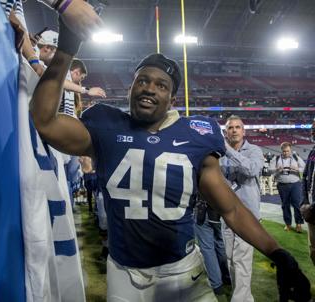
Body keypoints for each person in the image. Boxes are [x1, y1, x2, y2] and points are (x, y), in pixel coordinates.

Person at [29, 18, 311, 301]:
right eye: (142, 80)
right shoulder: (105, 126)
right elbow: (44, 120)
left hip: (182, 271)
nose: (150, 88)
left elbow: (232, 210)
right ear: (130, 89)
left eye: (161, 85)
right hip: (124, 273)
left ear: (172, 99)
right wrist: (65, 49)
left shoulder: (195, 136)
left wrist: (279, 254)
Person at [220, 115, 264, 302]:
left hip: (248, 215)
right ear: (226, 132)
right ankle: (245, 298)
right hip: (227, 213)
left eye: (238, 127)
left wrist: (228, 151)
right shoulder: (219, 154)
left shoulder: (254, 150)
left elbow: (251, 170)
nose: (235, 130)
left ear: (244, 131)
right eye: (231, 127)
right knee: (230, 260)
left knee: (242, 261)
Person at [194, 195, 230, 296]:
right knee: (221, 244)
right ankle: (227, 277)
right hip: (224, 210)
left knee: (207, 248)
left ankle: (216, 284)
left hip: (205, 209)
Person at [270, 142, 306, 232]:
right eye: (284, 151)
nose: (286, 153)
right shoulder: (276, 158)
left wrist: (297, 169)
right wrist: (277, 169)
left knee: (297, 204)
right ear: (281, 150)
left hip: (295, 184)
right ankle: (288, 224)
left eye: (288, 151)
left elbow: (304, 167)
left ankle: (299, 224)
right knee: (285, 205)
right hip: (282, 185)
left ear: (291, 150)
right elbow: (270, 170)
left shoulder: (295, 157)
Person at [301, 119, 315, 265]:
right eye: (312, 128)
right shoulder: (313, 151)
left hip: (313, 209)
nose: (312, 131)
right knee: (313, 250)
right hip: (311, 212)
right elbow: (305, 177)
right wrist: (304, 202)